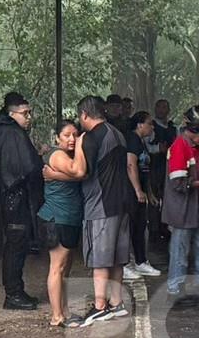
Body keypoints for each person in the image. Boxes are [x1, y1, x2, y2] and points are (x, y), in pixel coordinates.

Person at [0, 92, 44, 310]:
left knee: (16, 246)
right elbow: (26, 167)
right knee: (16, 246)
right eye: (25, 113)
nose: (28, 117)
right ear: (12, 113)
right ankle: (13, 293)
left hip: (5, 197)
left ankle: (16, 290)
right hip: (14, 199)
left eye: (29, 112)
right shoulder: (12, 133)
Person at [76, 95, 133, 324]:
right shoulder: (117, 133)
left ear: (84, 115)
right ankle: (117, 302)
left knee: (100, 259)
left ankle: (100, 305)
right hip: (122, 203)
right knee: (118, 258)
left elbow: (82, 171)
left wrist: (53, 173)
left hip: (100, 205)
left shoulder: (91, 137)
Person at [163, 105, 199, 295]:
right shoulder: (180, 147)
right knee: (180, 252)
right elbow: (178, 184)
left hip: (197, 209)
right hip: (182, 211)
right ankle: (175, 288)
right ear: (194, 130)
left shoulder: (196, 148)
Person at [39, 120, 86, 328]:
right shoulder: (57, 155)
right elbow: (78, 172)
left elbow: (81, 174)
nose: (72, 139)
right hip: (57, 217)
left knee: (66, 267)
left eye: (76, 135)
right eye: (66, 135)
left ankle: (64, 311)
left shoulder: (67, 156)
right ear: (57, 137)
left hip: (70, 217)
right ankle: (56, 316)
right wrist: (83, 145)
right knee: (57, 267)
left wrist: (56, 175)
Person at [124, 112, 161, 279]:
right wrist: (137, 190)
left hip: (141, 192)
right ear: (139, 125)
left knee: (140, 227)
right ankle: (124, 264)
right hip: (130, 192)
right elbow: (131, 164)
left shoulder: (141, 142)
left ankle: (140, 261)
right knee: (129, 227)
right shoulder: (132, 140)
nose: (152, 127)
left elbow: (146, 170)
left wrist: (149, 193)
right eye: (149, 123)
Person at [148, 99, 177, 242]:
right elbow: (145, 147)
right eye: (159, 107)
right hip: (154, 167)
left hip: (168, 168)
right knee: (153, 199)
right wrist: (157, 150)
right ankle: (153, 229)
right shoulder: (151, 127)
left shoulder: (173, 128)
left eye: (164, 107)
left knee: (167, 198)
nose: (161, 110)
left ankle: (164, 226)